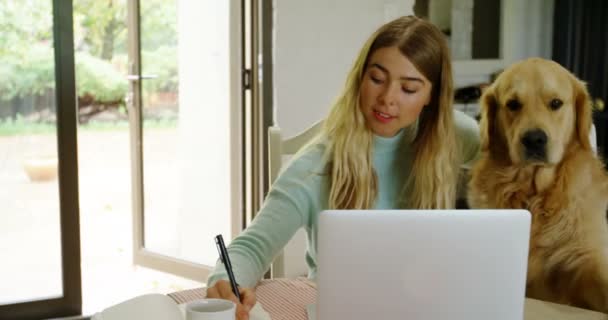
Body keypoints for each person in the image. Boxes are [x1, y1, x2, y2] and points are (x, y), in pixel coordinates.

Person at [206, 15, 480, 320]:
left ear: (432, 95)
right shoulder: (315, 166)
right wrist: (224, 284)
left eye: (409, 88)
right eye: (377, 79)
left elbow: (512, 173)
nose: (388, 98)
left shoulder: (455, 136)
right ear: (360, 78)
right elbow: (252, 247)